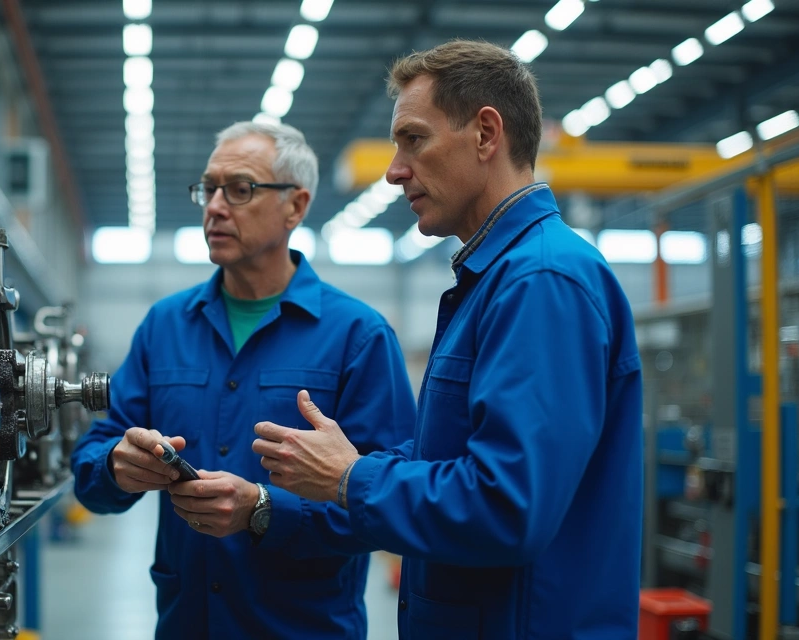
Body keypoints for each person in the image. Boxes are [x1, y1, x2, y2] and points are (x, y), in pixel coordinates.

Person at [253, 40, 643, 639]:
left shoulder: (540, 281)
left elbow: (508, 507)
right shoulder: (497, 279)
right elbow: (450, 461)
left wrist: (351, 478)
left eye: (414, 139)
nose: (394, 170)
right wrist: (298, 490)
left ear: (486, 134)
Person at [70, 121, 415, 639]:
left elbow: (390, 501)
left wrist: (264, 511)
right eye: (209, 189)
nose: (214, 206)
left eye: (240, 189)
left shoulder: (358, 337)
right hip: (187, 624)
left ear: (295, 207)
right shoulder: (164, 327)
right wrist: (116, 467)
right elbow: (91, 462)